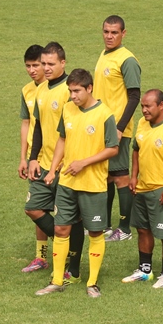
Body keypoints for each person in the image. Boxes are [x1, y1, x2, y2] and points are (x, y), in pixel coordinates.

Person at [35, 69, 118, 298]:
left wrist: (84, 163)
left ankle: (92, 283)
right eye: (70, 91)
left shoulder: (104, 114)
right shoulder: (68, 109)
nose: (73, 96)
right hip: (67, 183)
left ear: (89, 88)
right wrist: (53, 170)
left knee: (94, 231)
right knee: (61, 229)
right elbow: (62, 138)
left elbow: (113, 148)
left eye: (77, 91)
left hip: (93, 184)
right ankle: (57, 280)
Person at [24, 43, 84, 282]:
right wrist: (32, 158)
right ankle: (66, 248)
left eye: (50, 64)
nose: (46, 68)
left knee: (72, 219)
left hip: (67, 166)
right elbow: (38, 127)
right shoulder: (41, 90)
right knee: (32, 208)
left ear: (63, 63)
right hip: (44, 164)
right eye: (43, 64)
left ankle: (75, 267)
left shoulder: (70, 90)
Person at [123, 90, 163, 288]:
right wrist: (134, 176)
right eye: (142, 106)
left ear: (161, 105)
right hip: (142, 187)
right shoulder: (142, 123)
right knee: (143, 229)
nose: (144, 110)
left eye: (148, 106)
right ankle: (145, 270)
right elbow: (136, 150)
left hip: (161, 189)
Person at [93, 15, 141, 242]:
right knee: (106, 176)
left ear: (124, 33)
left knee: (120, 177)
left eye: (114, 32)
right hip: (101, 128)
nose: (109, 36)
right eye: (106, 31)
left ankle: (125, 228)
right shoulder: (104, 54)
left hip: (117, 129)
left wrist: (120, 127)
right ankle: (104, 225)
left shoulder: (127, 60)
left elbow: (134, 95)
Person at [17, 45, 49, 272]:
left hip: (56, 158)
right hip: (35, 158)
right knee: (37, 207)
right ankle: (41, 256)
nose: (31, 70)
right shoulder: (27, 90)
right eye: (28, 66)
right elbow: (26, 123)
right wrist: (24, 157)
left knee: (61, 209)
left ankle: (66, 250)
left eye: (35, 65)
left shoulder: (57, 89)